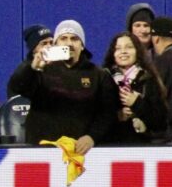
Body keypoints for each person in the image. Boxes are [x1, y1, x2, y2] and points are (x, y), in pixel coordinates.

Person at [7, 19, 118, 154]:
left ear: (82, 46)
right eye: (63, 38)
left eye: (74, 39)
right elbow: (17, 88)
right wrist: (32, 68)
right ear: (56, 44)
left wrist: (92, 137)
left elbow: (108, 113)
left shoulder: (99, 75)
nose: (69, 43)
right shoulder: (41, 69)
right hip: (42, 151)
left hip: (80, 152)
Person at [103, 31, 167, 143]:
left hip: (141, 145)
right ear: (113, 53)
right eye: (118, 48)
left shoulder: (148, 79)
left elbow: (161, 121)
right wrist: (117, 115)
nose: (123, 51)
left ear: (137, 51)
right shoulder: (103, 78)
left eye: (129, 47)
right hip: (109, 145)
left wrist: (137, 103)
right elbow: (93, 115)